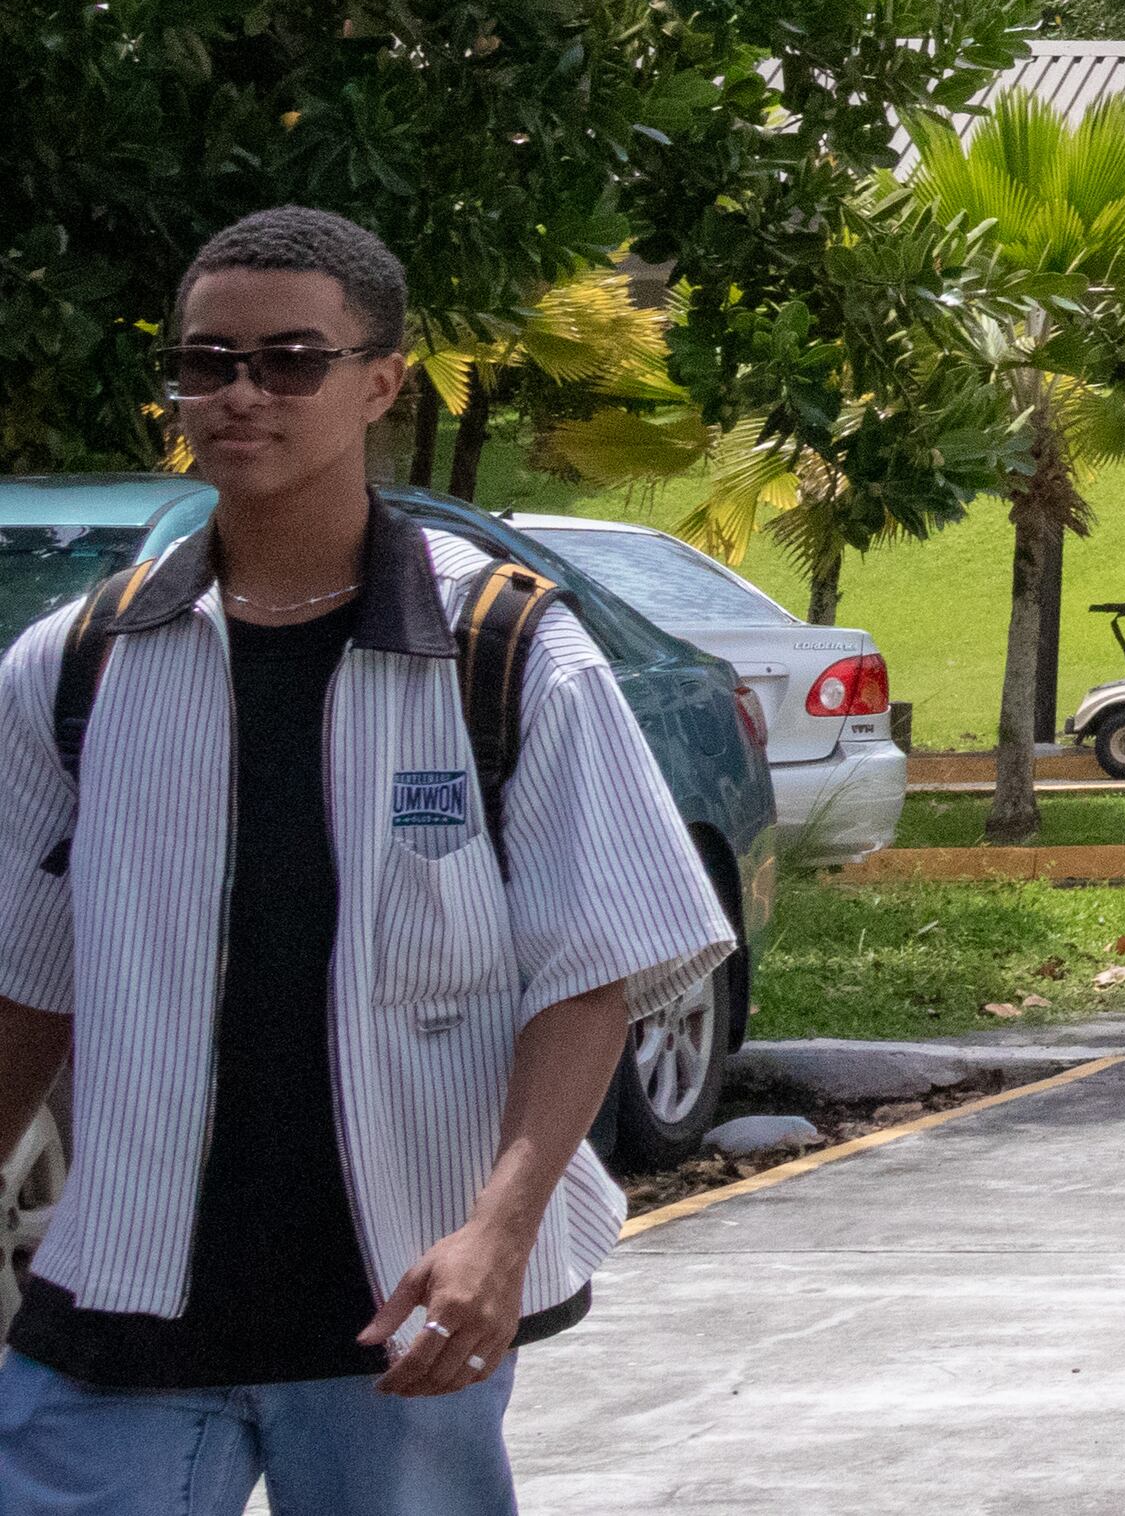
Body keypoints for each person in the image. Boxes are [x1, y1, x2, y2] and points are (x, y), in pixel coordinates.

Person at [0, 207, 732, 1510]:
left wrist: (499, 1239)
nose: (237, 393)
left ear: (379, 382)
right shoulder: (76, 667)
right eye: (204, 362)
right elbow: (23, 986)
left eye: (288, 360)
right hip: (122, 1298)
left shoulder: (503, 653)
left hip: (394, 1312)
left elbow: (594, 972)